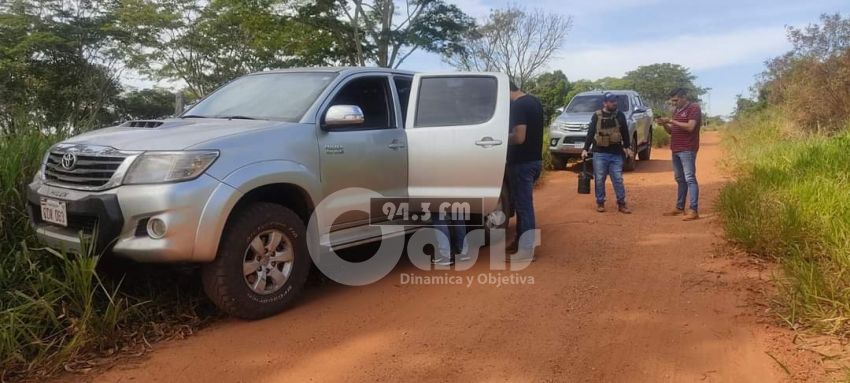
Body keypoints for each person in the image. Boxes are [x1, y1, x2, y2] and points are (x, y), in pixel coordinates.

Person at [507, 81, 544, 261]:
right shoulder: (534, 102)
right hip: (535, 161)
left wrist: (500, 139)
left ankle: (526, 251)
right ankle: (519, 243)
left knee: (524, 207)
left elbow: (519, 137)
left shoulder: (518, 106)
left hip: (522, 163)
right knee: (523, 207)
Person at [581, 93, 633, 214]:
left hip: (616, 153)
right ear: (605, 103)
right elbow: (591, 132)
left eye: (615, 101)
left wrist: (627, 147)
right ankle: (600, 202)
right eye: (611, 101)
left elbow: (625, 132)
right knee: (599, 179)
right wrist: (585, 149)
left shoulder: (620, 115)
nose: (614, 103)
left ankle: (621, 204)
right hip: (599, 153)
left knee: (618, 179)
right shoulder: (597, 115)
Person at [655, 88, 701, 221]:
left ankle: (693, 210)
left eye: (676, 100)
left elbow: (690, 127)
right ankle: (680, 207)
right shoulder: (676, 111)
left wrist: (671, 121)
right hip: (675, 149)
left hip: (687, 149)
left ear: (684, 97)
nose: (674, 103)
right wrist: (664, 124)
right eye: (672, 101)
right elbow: (671, 131)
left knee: (690, 178)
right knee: (680, 179)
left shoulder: (694, 108)